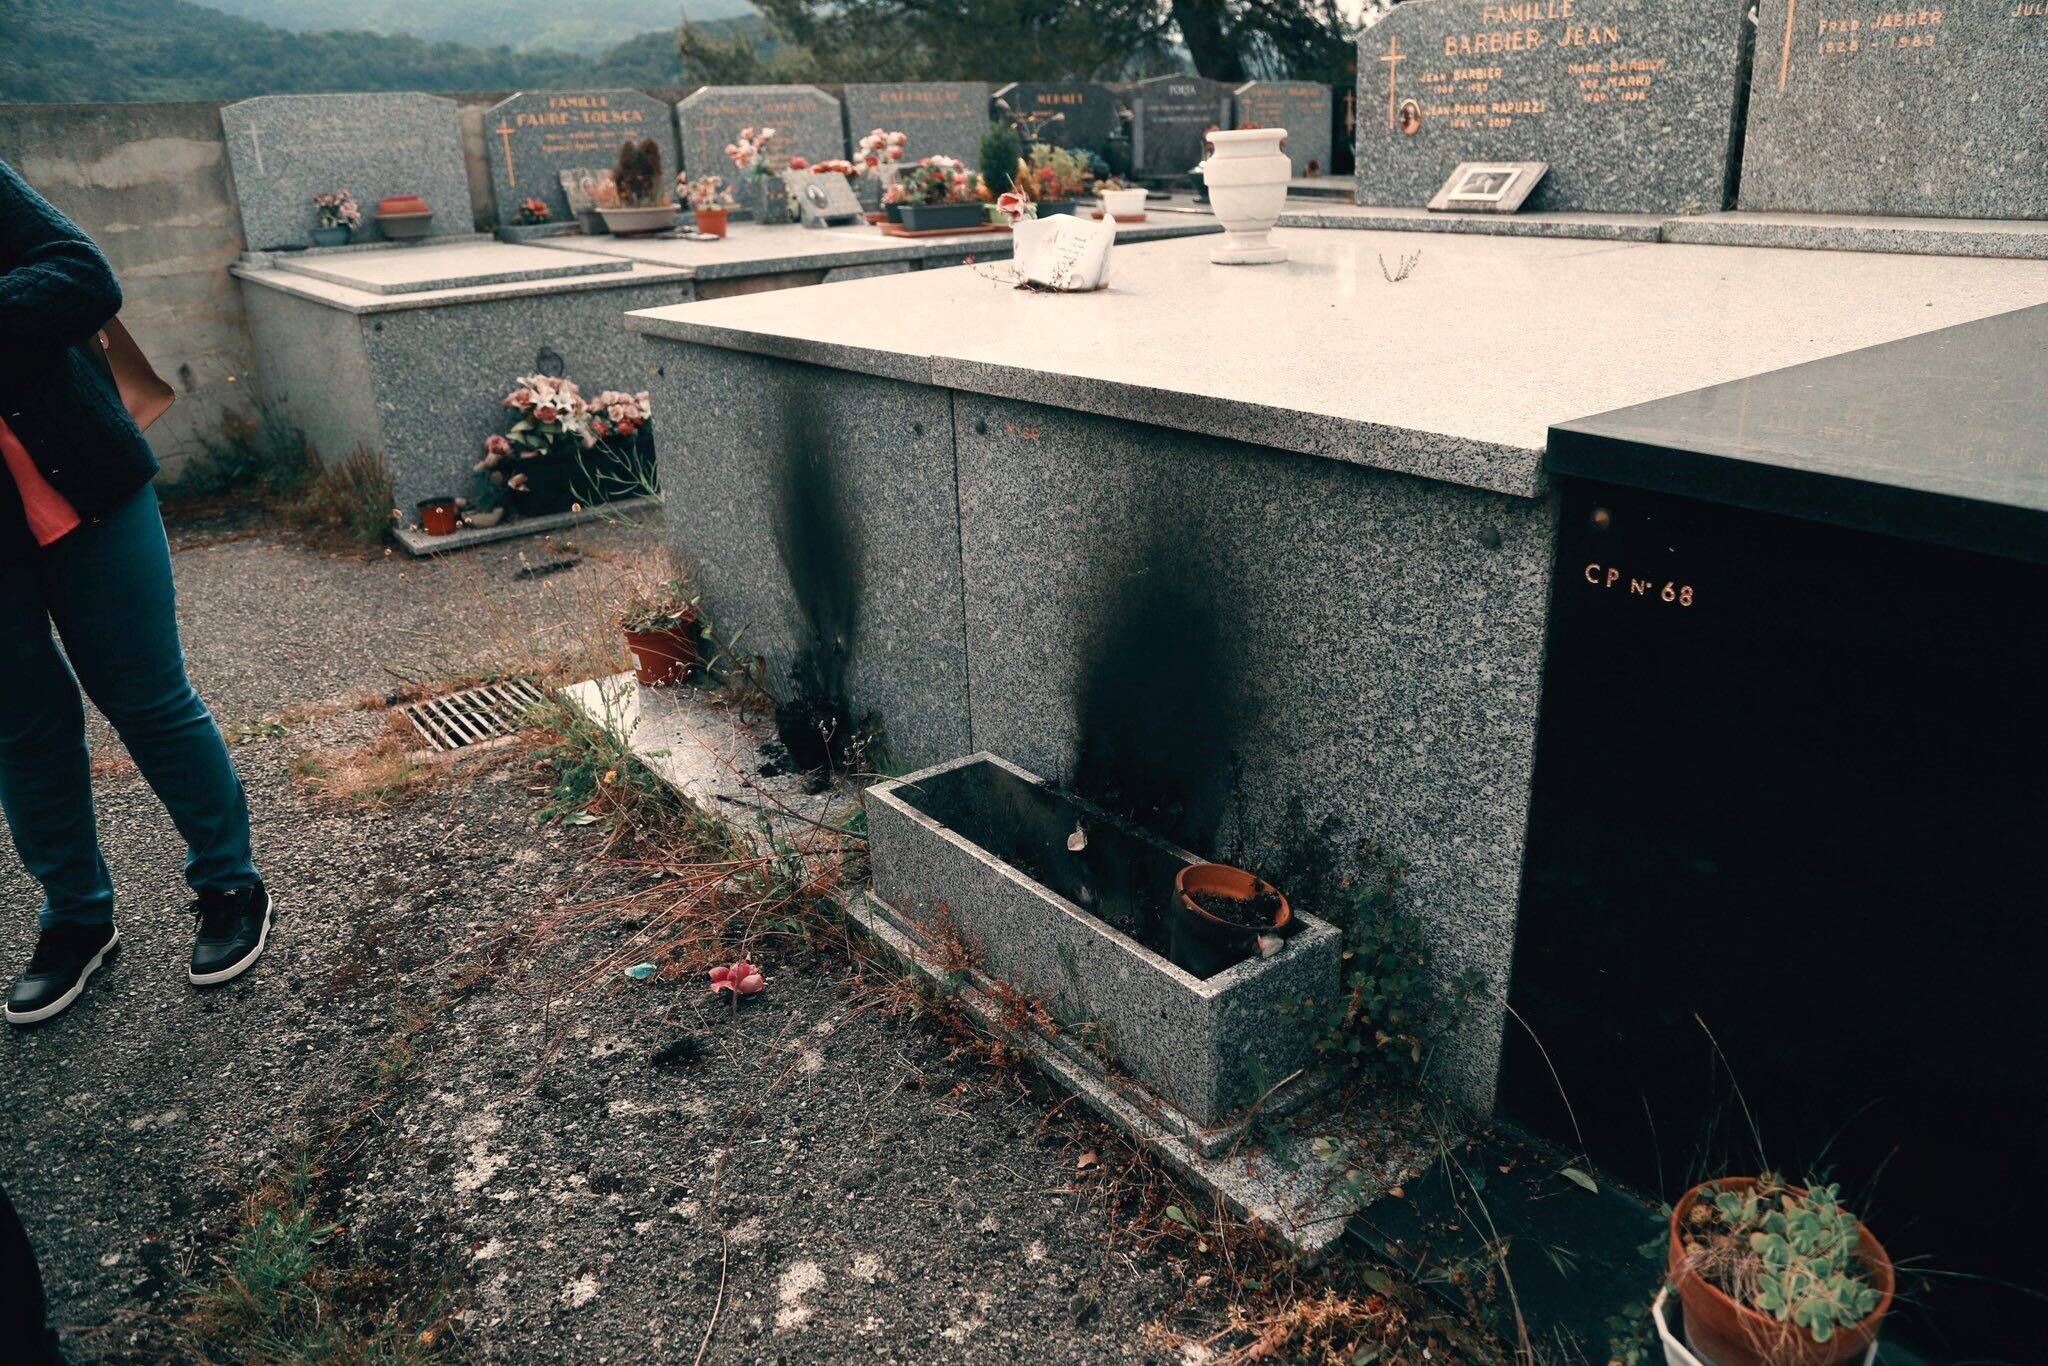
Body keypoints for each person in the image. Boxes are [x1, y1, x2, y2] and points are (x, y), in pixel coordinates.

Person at [0, 157, 271, 1026]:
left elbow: (83, 273)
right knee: (23, 725)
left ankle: (231, 885)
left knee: (147, 694)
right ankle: (77, 919)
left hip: (89, 476)